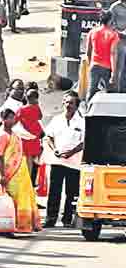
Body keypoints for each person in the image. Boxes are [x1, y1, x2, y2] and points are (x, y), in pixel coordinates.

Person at [0, 108, 41, 234]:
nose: (13, 120)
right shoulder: (2, 136)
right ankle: (7, 226)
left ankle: (22, 224)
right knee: (10, 199)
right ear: (3, 119)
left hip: (20, 173)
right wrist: (3, 175)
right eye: (10, 118)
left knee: (22, 197)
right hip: (9, 173)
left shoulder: (14, 133)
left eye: (14, 118)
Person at [43, 92, 85, 229]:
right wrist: (54, 149)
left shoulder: (82, 121)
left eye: (71, 103)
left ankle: (68, 219)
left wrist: (71, 152)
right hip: (57, 161)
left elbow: (86, 142)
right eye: (66, 102)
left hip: (74, 162)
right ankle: (51, 219)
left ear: (76, 105)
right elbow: (48, 137)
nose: (68, 105)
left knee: (71, 192)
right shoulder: (56, 120)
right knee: (54, 191)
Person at [87, 11, 118, 99]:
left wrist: (90, 64)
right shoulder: (113, 35)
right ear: (110, 21)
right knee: (111, 92)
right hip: (107, 67)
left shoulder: (92, 32)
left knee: (91, 91)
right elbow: (113, 54)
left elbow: (88, 51)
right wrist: (114, 73)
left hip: (94, 65)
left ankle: (88, 110)